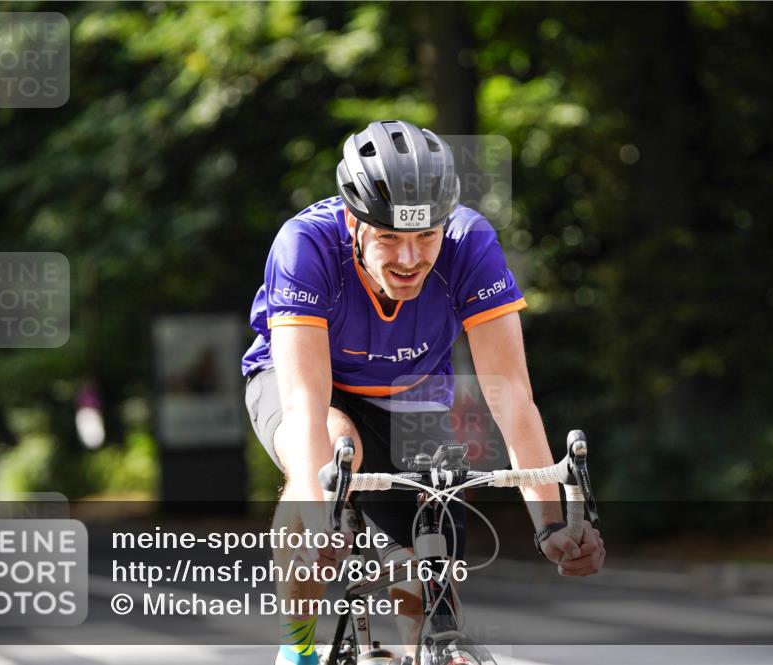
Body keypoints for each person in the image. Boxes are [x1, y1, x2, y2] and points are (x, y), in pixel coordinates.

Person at [242, 120, 605, 665]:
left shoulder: (470, 242)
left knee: (428, 589)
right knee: (333, 447)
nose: (409, 259)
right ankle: (296, 649)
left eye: (425, 237)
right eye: (388, 238)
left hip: (408, 392)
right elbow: (305, 405)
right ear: (353, 222)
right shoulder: (305, 245)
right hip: (304, 385)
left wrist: (550, 524)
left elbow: (511, 397)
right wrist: (319, 517)